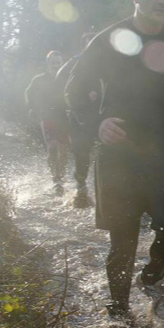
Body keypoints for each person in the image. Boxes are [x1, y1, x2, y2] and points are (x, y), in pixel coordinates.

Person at [65, 0, 164, 320]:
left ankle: (151, 278)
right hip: (119, 154)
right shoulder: (109, 39)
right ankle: (119, 312)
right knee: (122, 242)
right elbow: (75, 90)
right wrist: (97, 123)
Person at [56, 33, 98, 208]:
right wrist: (81, 98)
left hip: (103, 115)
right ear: (85, 47)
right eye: (90, 45)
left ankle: (109, 194)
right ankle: (81, 189)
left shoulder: (109, 61)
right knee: (81, 153)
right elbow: (60, 80)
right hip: (78, 115)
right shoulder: (76, 62)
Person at [25, 51, 68, 195]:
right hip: (47, 117)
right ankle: (55, 177)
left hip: (65, 118)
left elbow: (77, 92)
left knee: (64, 149)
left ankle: (60, 176)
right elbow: (29, 94)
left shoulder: (67, 78)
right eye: (53, 62)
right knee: (53, 146)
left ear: (62, 63)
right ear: (48, 63)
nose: (56, 65)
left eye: (58, 62)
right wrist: (33, 108)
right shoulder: (39, 80)